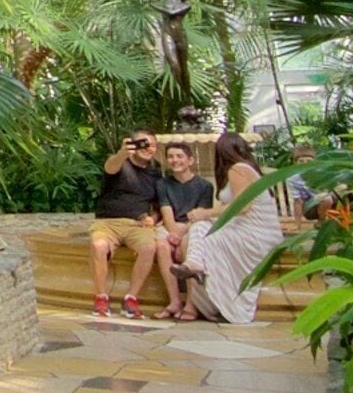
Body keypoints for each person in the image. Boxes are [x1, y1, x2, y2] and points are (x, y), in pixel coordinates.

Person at [175, 133, 289, 325]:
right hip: (250, 231)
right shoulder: (247, 168)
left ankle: (195, 264)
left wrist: (205, 213)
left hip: (255, 234)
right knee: (197, 231)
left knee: (201, 227)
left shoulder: (238, 169)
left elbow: (242, 206)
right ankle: (197, 272)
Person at [88, 133, 167, 319]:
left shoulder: (155, 174)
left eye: (153, 145)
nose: (148, 148)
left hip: (137, 225)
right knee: (98, 246)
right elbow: (110, 167)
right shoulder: (119, 163)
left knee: (149, 247)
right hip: (108, 222)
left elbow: (159, 207)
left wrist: (153, 219)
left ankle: (131, 298)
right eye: (143, 143)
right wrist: (123, 153)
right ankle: (101, 297)